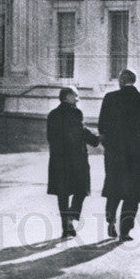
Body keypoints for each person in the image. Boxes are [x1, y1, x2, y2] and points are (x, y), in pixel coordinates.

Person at [97, 69, 140, 241]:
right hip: (137, 153)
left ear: (120, 81)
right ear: (134, 81)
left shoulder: (110, 99)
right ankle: (125, 230)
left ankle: (110, 219)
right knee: (133, 190)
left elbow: (101, 125)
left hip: (115, 152)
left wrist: (108, 142)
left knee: (114, 186)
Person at [46, 87, 99, 238]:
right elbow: (80, 132)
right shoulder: (75, 112)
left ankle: (66, 227)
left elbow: (50, 137)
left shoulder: (52, 115)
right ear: (68, 96)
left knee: (62, 193)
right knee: (81, 189)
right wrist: (96, 140)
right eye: (76, 96)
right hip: (76, 158)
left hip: (58, 159)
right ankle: (71, 216)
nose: (78, 99)